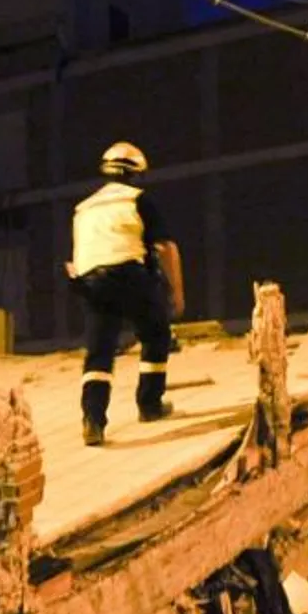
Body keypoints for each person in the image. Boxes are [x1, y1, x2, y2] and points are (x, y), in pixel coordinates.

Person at [67, 141, 185, 447]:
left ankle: (93, 420)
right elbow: (166, 248)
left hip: (91, 281)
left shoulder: (83, 208)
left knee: (99, 352)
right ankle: (149, 405)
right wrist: (176, 295)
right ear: (137, 174)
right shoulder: (138, 200)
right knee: (156, 334)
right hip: (129, 274)